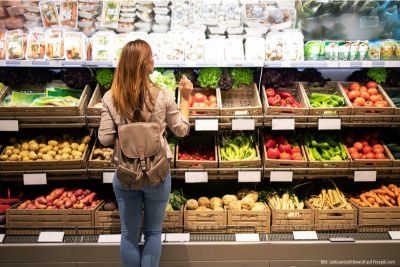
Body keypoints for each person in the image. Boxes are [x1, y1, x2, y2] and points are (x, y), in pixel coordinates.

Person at [98, 39, 192, 267]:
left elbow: (105, 138)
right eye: (150, 57)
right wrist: (186, 98)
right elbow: (181, 130)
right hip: (157, 173)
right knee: (152, 233)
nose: (153, 60)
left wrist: (126, 135)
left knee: (129, 235)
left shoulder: (111, 97)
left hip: (126, 174)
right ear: (144, 65)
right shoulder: (163, 94)